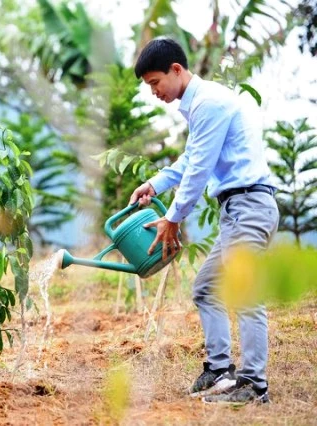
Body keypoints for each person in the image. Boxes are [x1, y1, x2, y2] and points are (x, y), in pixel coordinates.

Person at [130, 38, 279, 404]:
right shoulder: (201, 105)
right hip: (236, 209)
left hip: (250, 204)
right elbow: (190, 160)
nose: (154, 93)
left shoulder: (210, 104)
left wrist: (172, 218)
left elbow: (198, 170)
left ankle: (253, 386)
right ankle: (219, 370)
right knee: (206, 288)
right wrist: (154, 183)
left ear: (176, 70)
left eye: (155, 83)